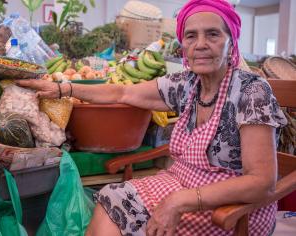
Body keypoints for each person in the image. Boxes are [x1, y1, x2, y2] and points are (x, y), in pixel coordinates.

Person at [15, 0, 287, 235]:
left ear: (231, 42)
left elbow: (262, 182)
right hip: (183, 183)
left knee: (122, 212)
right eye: (191, 36)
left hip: (233, 207)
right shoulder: (186, 84)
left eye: (213, 34)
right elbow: (121, 92)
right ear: (183, 45)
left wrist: (179, 201)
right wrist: (63, 88)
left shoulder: (252, 91)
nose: (200, 44)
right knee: (113, 196)